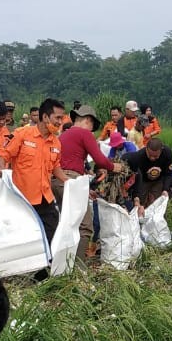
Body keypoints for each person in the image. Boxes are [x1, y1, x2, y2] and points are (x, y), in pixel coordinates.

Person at [58, 104, 123, 258]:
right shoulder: (84, 133)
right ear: (88, 120)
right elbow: (99, 158)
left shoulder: (64, 135)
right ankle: (78, 267)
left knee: (65, 223)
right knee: (84, 226)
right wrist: (114, 166)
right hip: (71, 179)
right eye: (92, 124)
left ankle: (60, 262)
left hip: (57, 179)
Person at [2, 97, 69, 240]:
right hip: (22, 199)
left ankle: (50, 261)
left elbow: (55, 166)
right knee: (23, 237)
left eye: (61, 118)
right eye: (57, 118)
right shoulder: (22, 135)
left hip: (45, 197)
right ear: (45, 116)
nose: (59, 122)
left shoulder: (56, 143)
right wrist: (0, 177)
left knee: (53, 234)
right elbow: (3, 156)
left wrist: (68, 181)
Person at [123, 137, 172, 206]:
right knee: (140, 203)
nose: (152, 158)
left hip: (159, 181)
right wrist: (137, 198)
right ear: (146, 149)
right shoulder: (139, 156)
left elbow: (168, 174)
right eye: (150, 155)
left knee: (156, 203)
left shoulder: (167, 153)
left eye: (156, 156)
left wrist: (165, 189)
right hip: (143, 181)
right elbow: (137, 177)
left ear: (161, 150)